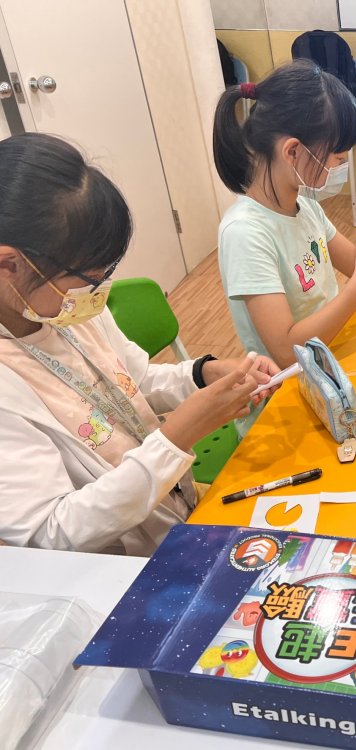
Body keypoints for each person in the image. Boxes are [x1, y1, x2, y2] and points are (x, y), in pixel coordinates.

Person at [0, 133, 281, 555]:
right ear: (9, 264)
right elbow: (52, 532)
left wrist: (203, 374)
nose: (97, 292)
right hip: (127, 568)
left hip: (179, 513)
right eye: (86, 278)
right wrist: (178, 435)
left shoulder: (62, 307)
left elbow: (133, 380)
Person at [214, 60, 356, 367]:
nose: (341, 167)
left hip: (330, 358)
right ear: (292, 152)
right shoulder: (245, 233)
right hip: (294, 382)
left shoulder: (306, 207)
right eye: (337, 158)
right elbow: (286, 351)